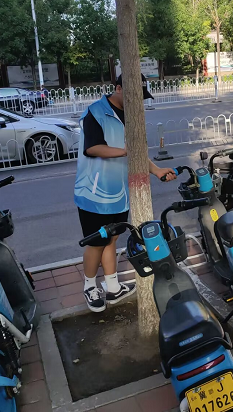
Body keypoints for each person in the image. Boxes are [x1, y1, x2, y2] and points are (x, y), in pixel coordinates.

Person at [74, 73, 176, 312]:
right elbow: (93, 148)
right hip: (94, 193)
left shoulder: (132, 115)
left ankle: (112, 286)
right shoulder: (95, 112)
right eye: (133, 96)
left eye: (140, 97)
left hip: (120, 193)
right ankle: (90, 287)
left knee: (112, 239)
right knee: (96, 243)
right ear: (118, 88)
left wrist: (157, 170)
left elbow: (136, 151)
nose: (137, 102)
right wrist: (124, 151)